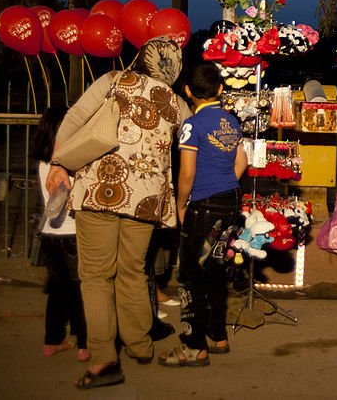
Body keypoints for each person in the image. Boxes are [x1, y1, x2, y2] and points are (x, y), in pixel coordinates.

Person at [46, 36, 192, 389]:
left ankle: (104, 360)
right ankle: (140, 345)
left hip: (101, 191)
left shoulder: (113, 81)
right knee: (133, 270)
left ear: (141, 58)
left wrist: (58, 162)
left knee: (97, 276)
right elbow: (193, 139)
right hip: (147, 199)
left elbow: (76, 116)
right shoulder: (176, 103)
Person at [159, 62, 247, 367]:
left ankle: (195, 346)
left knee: (190, 276)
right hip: (230, 201)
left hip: (204, 205)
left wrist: (182, 204)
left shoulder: (192, 125)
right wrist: (227, 183)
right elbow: (242, 159)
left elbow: (186, 173)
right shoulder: (231, 122)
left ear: (187, 92)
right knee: (215, 270)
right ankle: (218, 335)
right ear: (220, 90)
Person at [32, 105, 89, 362]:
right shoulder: (70, 163)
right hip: (74, 233)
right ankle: (84, 345)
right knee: (81, 291)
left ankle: (51, 341)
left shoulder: (43, 162)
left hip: (49, 234)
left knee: (57, 290)